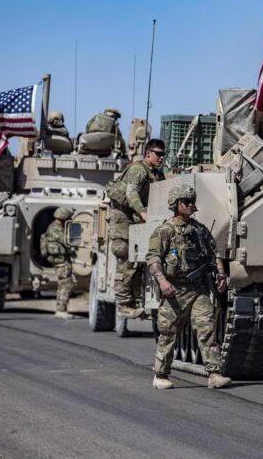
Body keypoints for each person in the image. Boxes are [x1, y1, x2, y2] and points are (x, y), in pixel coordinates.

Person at [146, 184, 231, 390]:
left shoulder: (200, 230)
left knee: (207, 328)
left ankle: (214, 373)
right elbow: (153, 258)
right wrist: (163, 281)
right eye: (186, 202)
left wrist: (221, 275)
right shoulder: (165, 231)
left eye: (192, 201)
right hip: (175, 290)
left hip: (199, 289)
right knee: (168, 332)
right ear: (175, 204)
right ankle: (161, 374)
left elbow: (215, 253)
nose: (191, 205)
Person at [106, 139, 166, 318]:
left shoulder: (156, 174)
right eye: (158, 154)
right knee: (125, 258)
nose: (161, 158)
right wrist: (143, 212)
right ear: (148, 153)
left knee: (138, 262)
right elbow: (131, 194)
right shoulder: (138, 170)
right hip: (124, 221)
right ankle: (123, 304)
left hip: (138, 223)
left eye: (163, 154)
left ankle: (135, 303)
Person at [40, 207, 76, 319]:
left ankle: (60, 309)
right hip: (60, 261)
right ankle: (61, 310)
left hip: (61, 260)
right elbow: (66, 241)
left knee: (63, 284)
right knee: (66, 284)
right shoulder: (56, 229)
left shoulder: (53, 226)